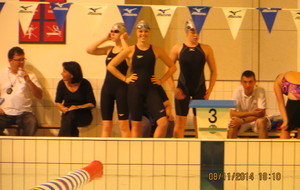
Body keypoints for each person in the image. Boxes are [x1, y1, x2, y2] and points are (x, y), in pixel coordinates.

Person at [107, 20, 176, 138]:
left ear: (149, 32)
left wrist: (161, 80)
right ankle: (135, 155)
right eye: (140, 31)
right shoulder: (131, 50)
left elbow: (172, 67)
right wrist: (125, 78)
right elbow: (111, 66)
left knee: (163, 123)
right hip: (135, 90)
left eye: (145, 31)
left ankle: (155, 151)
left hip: (151, 89)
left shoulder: (156, 50)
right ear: (137, 33)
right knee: (136, 125)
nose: (143, 34)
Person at [168, 19, 217, 138]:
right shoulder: (177, 48)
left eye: (197, 32)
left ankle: (197, 153)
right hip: (182, 88)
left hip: (199, 89)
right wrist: (173, 89)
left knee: (200, 125)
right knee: (179, 124)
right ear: (187, 32)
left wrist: (209, 90)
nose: (196, 35)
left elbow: (214, 71)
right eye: (193, 32)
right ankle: (177, 151)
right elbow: (167, 70)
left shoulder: (206, 49)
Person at [86, 22, 130, 137]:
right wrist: (105, 38)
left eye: (116, 31)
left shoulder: (128, 49)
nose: (113, 33)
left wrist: (124, 40)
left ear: (122, 34)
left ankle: (129, 152)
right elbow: (90, 50)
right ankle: (103, 152)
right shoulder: (109, 49)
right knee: (106, 125)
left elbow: (129, 57)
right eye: (112, 31)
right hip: (107, 89)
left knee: (123, 125)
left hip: (122, 88)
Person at [0, 46, 43, 136]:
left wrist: (28, 81)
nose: (21, 62)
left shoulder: (31, 75)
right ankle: (7, 143)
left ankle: (24, 147)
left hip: (24, 112)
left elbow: (39, 95)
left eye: (23, 59)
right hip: (5, 112)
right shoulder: (2, 75)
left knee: (32, 122)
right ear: (10, 60)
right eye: (18, 60)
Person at [55, 61, 96, 137]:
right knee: (69, 117)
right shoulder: (61, 83)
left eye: (64, 71)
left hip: (83, 114)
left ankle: (61, 141)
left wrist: (77, 107)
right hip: (67, 114)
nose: (61, 73)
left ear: (72, 74)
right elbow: (58, 102)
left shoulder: (85, 84)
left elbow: (92, 104)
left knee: (70, 116)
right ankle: (72, 142)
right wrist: (63, 108)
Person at [228, 70, 270, 139]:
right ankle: (231, 148)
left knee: (261, 121)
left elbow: (261, 114)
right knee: (233, 123)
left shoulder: (260, 91)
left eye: (250, 82)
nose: (248, 85)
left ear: (255, 82)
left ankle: (263, 148)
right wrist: (251, 113)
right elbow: (232, 113)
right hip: (243, 121)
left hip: (255, 121)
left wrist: (242, 120)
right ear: (241, 82)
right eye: (245, 82)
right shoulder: (237, 91)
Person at [274, 71, 300, 139]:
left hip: (296, 92)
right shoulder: (293, 74)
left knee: (285, 129)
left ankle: (282, 149)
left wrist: (285, 121)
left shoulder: (277, 82)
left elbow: (281, 103)